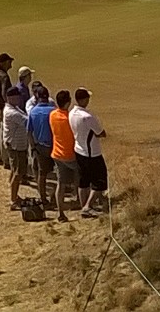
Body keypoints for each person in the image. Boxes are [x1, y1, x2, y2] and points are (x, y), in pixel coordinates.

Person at [69, 88, 108, 216]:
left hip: (79, 150)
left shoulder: (71, 113)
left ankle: (84, 206)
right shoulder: (88, 117)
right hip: (92, 153)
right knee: (100, 181)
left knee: (83, 181)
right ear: (83, 100)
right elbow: (100, 133)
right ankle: (87, 206)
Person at [26, 87, 58, 215]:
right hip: (55, 146)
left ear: (37, 97)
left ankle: (43, 199)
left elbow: (29, 132)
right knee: (59, 174)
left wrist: (33, 147)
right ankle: (55, 197)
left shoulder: (33, 112)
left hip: (40, 146)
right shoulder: (53, 111)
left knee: (42, 174)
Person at [0, 91, 32, 209]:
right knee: (18, 172)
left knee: (15, 170)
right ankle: (13, 200)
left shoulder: (13, 108)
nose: (19, 99)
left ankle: (14, 195)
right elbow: (28, 122)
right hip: (16, 146)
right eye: (16, 97)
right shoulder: (12, 113)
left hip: (15, 145)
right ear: (10, 98)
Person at [49, 92, 77, 220]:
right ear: (68, 102)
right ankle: (81, 200)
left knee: (61, 183)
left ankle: (61, 213)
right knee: (81, 176)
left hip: (56, 154)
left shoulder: (52, 115)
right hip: (69, 154)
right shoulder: (69, 118)